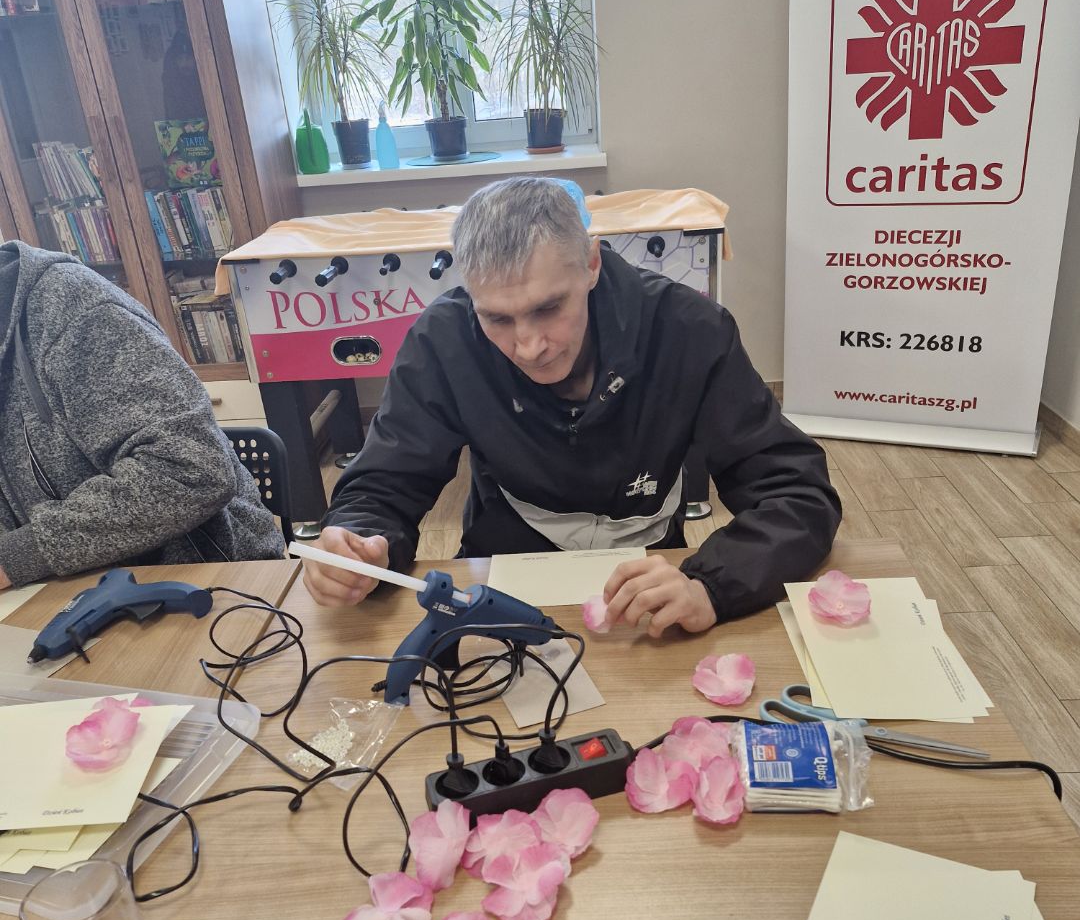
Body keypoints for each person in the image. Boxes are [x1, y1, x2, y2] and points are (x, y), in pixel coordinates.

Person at [304, 178, 841, 634]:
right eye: (497, 318)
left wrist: (711, 585)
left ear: (590, 263)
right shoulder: (444, 341)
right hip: (502, 575)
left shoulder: (688, 330)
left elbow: (797, 492)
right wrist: (359, 542)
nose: (529, 346)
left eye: (548, 308)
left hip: (650, 582)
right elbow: (384, 485)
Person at [0, 241, 285, 588]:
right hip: (63, 588)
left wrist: (18, 556)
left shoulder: (75, 311)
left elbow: (190, 470)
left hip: (208, 580)